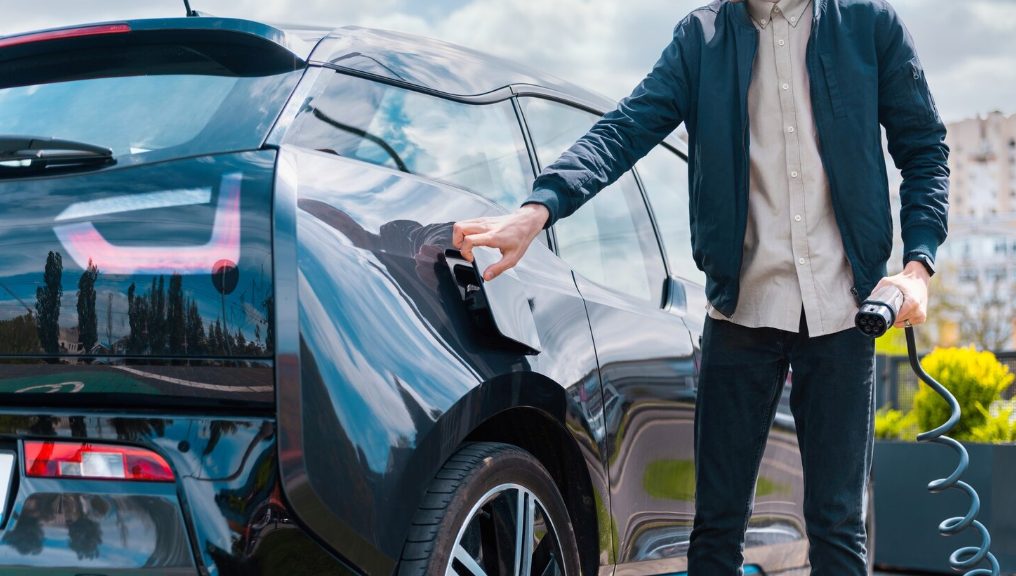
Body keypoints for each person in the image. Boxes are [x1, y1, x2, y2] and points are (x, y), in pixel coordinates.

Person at [452, 0, 948, 573]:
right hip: (741, 316)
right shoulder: (701, 38)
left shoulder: (867, 23)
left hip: (844, 313)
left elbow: (925, 148)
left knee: (838, 528)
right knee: (715, 531)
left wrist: (917, 266)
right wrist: (539, 208)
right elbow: (625, 129)